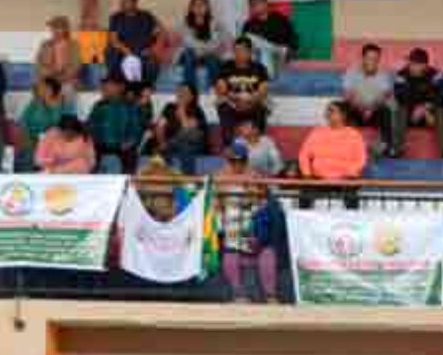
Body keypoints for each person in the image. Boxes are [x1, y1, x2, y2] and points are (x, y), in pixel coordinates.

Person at [220, 159, 283, 303]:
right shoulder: (235, 203)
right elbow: (230, 231)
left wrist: (259, 240)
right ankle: (238, 294)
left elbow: (276, 230)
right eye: (249, 187)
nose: (253, 190)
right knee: (230, 252)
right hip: (239, 243)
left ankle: (270, 296)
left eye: (257, 187)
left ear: (263, 190)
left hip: (262, 245)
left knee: (268, 253)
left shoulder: (270, 205)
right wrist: (244, 240)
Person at [391, 48, 443, 159]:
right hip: (409, 115)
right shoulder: (401, 75)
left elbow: (442, 97)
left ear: (425, 66)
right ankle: (397, 149)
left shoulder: (435, 75)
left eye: (415, 64)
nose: (411, 66)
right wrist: (415, 108)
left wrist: (425, 109)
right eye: (410, 63)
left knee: (441, 113)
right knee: (400, 112)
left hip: (428, 116)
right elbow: (399, 97)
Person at [213, 37, 273, 141]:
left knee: (262, 108)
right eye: (235, 50)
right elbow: (221, 88)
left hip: (253, 103)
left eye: (241, 50)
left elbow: (263, 90)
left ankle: (257, 142)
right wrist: (237, 100)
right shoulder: (226, 66)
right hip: (232, 103)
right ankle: (229, 145)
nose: (237, 53)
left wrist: (249, 101)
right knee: (223, 107)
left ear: (249, 52)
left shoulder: (259, 68)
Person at [87, 73, 145, 174]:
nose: (104, 87)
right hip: (101, 144)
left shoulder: (130, 105)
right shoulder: (99, 105)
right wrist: (93, 138)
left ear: (121, 87)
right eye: (104, 84)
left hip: (123, 145)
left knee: (130, 155)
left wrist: (130, 141)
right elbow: (91, 125)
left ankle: (126, 183)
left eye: (109, 84)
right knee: (90, 155)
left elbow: (136, 128)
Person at [340, 44, 396, 147]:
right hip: (357, 109)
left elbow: (384, 97)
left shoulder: (383, 75)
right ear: (363, 58)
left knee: (386, 111)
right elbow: (347, 95)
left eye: (375, 59)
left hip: (375, 111)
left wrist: (371, 109)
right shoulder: (351, 73)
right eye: (369, 58)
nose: (372, 61)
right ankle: (346, 144)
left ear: (379, 60)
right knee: (344, 108)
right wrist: (361, 108)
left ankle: (387, 146)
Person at [298, 100, 369, 181]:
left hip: (346, 180)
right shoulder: (317, 133)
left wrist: (349, 174)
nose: (327, 113)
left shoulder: (354, 135)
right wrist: (307, 175)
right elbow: (303, 155)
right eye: (327, 111)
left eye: (331, 111)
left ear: (343, 115)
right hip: (318, 179)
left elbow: (361, 159)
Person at [148, 84, 210, 175]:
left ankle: (185, 178)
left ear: (192, 97)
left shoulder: (197, 110)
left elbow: (187, 130)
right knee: (183, 147)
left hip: (193, 144)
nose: (181, 95)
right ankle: (186, 179)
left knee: (187, 139)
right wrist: (162, 143)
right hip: (174, 145)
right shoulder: (169, 107)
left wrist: (182, 112)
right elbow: (160, 126)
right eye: (179, 91)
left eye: (184, 92)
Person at [106, 0, 163, 86]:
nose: (122, 4)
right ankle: (117, 84)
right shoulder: (115, 18)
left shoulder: (146, 16)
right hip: (123, 52)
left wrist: (151, 48)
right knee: (111, 51)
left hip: (142, 52)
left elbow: (159, 31)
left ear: (135, 2)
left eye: (125, 1)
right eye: (121, 1)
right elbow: (114, 40)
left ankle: (144, 88)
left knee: (152, 61)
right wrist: (127, 51)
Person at [175, 0, 231, 92]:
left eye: (202, 5)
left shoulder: (216, 23)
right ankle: (189, 89)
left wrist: (205, 50)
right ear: (191, 8)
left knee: (212, 58)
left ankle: (217, 89)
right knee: (189, 54)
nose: (199, 8)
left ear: (207, 8)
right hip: (193, 54)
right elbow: (188, 42)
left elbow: (221, 40)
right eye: (196, 5)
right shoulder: (184, 24)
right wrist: (204, 49)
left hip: (210, 54)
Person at [240, 0, 299, 76]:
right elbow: (243, 46)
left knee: (264, 49)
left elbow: (292, 40)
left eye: (256, 4)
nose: (254, 7)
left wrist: (289, 50)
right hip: (258, 56)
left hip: (279, 56)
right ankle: (267, 74)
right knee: (256, 45)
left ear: (265, 3)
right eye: (252, 5)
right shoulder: (249, 24)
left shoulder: (280, 20)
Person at [19, 77, 71, 163]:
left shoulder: (59, 105)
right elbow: (23, 119)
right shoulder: (34, 103)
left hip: (50, 143)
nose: (38, 89)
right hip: (31, 140)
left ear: (49, 90)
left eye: (41, 87)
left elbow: (56, 124)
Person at [36, 15, 83, 99]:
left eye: (58, 28)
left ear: (65, 29)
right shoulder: (45, 45)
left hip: (67, 82)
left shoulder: (74, 45)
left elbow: (76, 66)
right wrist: (50, 76)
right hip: (48, 82)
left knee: (67, 92)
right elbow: (39, 65)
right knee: (41, 93)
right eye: (53, 28)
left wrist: (61, 78)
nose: (54, 30)